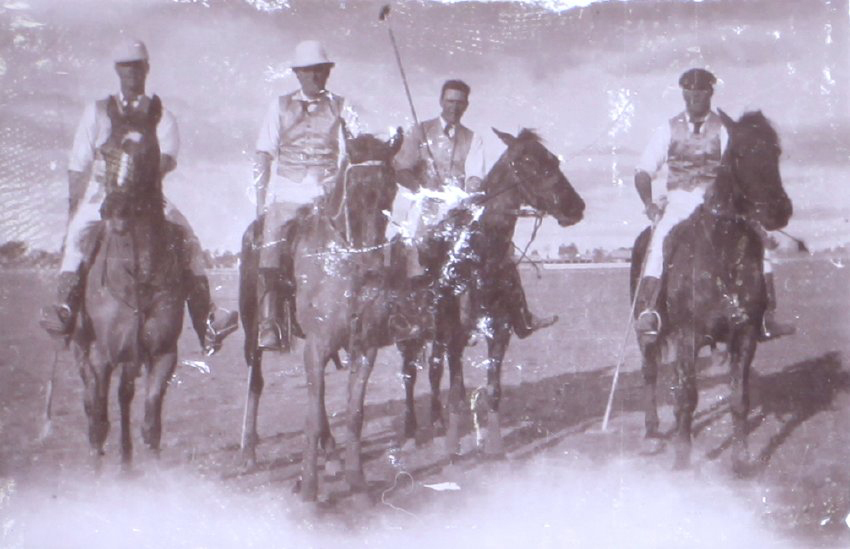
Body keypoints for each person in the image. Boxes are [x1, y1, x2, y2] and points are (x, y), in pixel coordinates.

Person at [39, 38, 237, 354]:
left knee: (188, 238)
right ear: (117, 70)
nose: (131, 72)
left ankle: (206, 319)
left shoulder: (162, 116)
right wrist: (74, 208)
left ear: (147, 68)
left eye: (137, 66)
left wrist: (137, 185)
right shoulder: (97, 112)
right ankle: (64, 308)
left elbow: (165, 161)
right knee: (77, 237)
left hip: (147, 196)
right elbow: (79, 165)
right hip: (101, 194)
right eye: (125, 66)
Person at [633, 67, 794, 341]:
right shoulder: (668, 128)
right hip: (680, 200)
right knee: (659, 241)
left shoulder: (726, 129)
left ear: (710, 92)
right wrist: (649, 202)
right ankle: (650, 310)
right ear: (683, 93)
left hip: (719, 199)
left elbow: (743, 166)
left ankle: (766, 316)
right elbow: (644, 171)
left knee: (760, 246)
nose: (695, 95)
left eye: (702, 90)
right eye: (690, 90)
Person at [392, 79, 556, 338]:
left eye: (459, 102)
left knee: (500, 250)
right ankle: (408, 317)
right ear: (440, 101)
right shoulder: (418, 132)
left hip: (458, 206)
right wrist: (423, 189)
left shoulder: (473, 138)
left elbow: (474, 175)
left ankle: (520, 314)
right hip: (423, 205)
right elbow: (400, 169)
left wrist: (469, 193)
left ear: (466, 105)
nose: (454, 108)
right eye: (449, 101)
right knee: (411, 249)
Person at [253, 39, 359, 351]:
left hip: (329, 195)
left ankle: (362, 315)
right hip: (288, 192)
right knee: (271, 240)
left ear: (328, 72)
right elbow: (263, 155)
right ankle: (269, 320)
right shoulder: (279, 105)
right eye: (309, 71)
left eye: (321, 71)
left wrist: (339, 185)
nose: (315, 77)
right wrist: (261, 203)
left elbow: (354, 153)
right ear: (297, 74)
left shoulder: (343, 106)